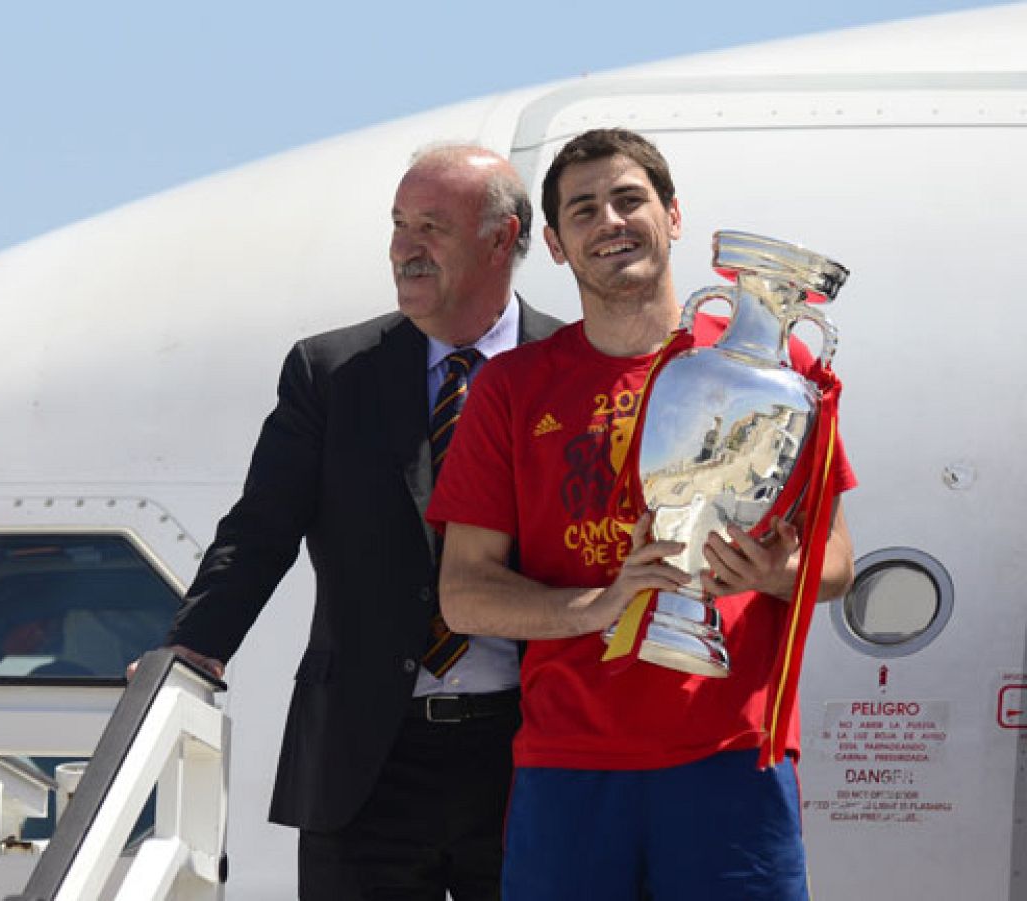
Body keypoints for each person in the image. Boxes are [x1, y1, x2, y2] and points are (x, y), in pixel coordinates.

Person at [428, 128, 856, 900]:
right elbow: (463, 593)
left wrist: (775, 570)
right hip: (570, 766)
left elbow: (836, 565)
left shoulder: (776, 371)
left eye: (631, 199)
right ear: (556, 246)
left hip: (733, 755)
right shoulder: (512, 389)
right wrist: (602, 602)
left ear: (675, 216)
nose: (610, 221)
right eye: (584, 210)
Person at [162, 144, 562, 899]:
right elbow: (260, 529)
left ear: (502, 239)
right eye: (398, 225)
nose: (405, 248)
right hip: (367, 756)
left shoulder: (571, 368)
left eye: (432, 227)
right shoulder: (332, 371)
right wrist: (191, 648)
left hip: (529, 747)